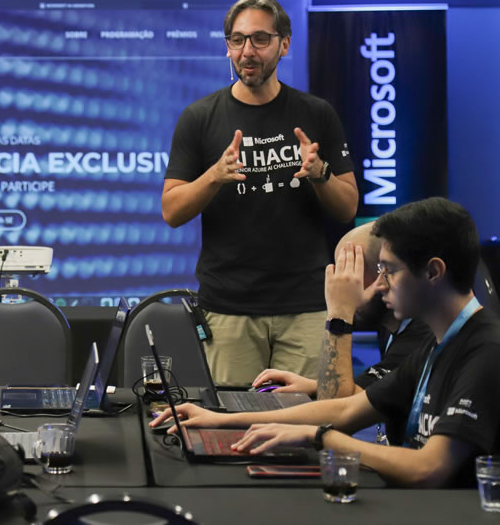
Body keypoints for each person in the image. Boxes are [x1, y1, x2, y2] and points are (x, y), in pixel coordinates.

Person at [152, 197, 500, 488]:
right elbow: (347, 410)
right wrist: (219, 419)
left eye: (390, 270)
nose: (380, 285)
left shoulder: (486, 350)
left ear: (434, 272)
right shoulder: (437, 345)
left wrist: (322, 437)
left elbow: (429, 468)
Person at [161, 0, 358, 386]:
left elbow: (348, 207)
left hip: (305, 306)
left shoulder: (316, 113)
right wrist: (214, 176)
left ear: (284, 44)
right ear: (227, 47)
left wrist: (320, 173)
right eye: (237, 40)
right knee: (234, 420)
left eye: (260, 39)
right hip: (228, 310)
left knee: (306, 419)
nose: (247, 51)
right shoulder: (199, 117)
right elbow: (172, 211)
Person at [252, 222, 434, 400]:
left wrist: (340, 314)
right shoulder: (391, 322)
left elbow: (338, 404)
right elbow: (365, 394)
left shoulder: (422, 333)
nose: (341, 285)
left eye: (349, 274)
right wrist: (315, 386)